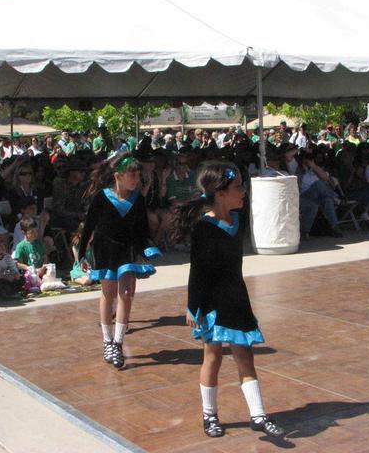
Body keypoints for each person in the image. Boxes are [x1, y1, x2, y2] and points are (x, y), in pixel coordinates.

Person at [171, 161, 285, 438]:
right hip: (211, 303)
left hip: (236, 298)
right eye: (238, 187)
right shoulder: (204, 229)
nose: (243, 191)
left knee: (246, 357)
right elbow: (197, 270)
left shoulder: (238, 220)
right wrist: (192, 306)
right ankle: (209, 414)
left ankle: (258, 415)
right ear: (221, 193)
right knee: (213, 358)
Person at [79, 152, 161, 369]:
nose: (136, 179)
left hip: (128, 250)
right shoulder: (102, 197)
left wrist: (147, 248)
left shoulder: (138, 199)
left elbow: (143, 229)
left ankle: (118, 342)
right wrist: (81, 253)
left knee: (126, 293)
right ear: (118, 176)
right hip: (105, 250)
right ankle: (107, 340)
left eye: (137, 175)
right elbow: (89, 226)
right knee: (108, 293)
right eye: (131, 175)